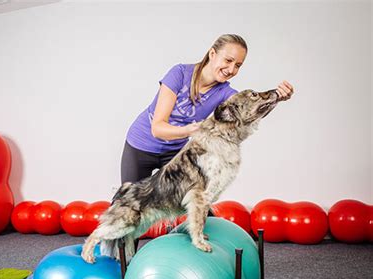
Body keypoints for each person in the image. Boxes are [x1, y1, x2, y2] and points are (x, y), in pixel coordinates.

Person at [120, 34, 294, 184]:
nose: (231, 69)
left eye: (238, 65)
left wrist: (276, 98)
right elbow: (158, 128)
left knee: (192, 201)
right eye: (228, 60)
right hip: (140, 146)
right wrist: (189, 131)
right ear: (212, 54)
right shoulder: (179, 74)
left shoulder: (225, 92)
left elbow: (249, 111)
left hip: (175, 153)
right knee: (128, 206)